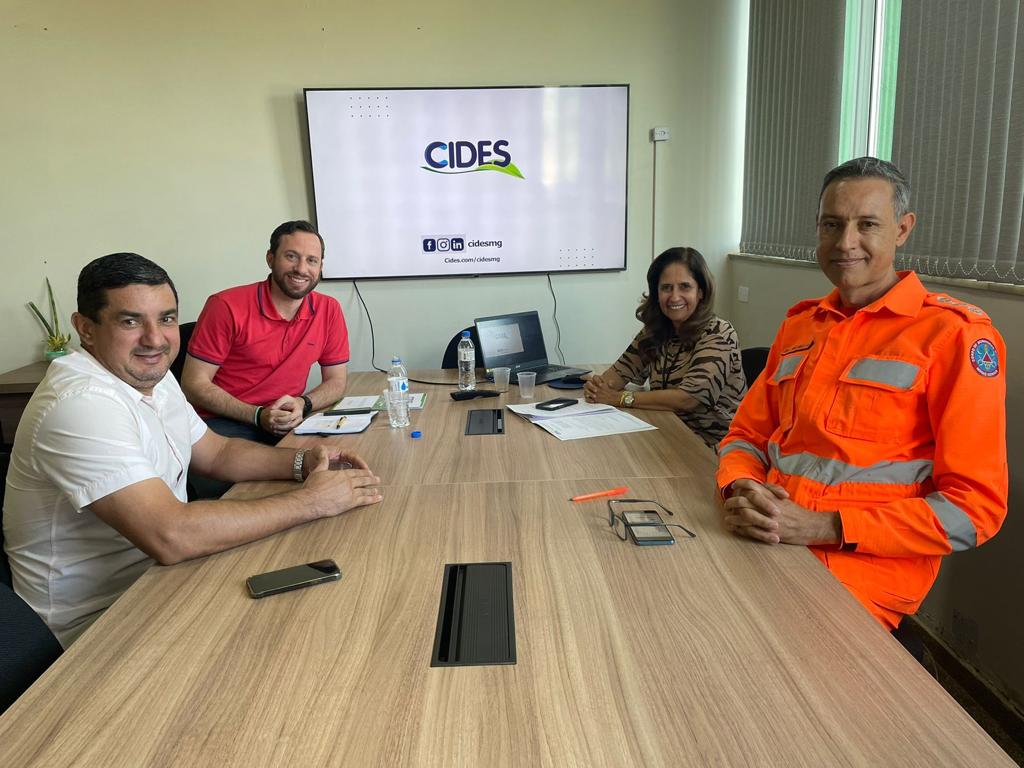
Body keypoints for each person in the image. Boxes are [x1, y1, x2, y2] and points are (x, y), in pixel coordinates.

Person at [3, 253, 382, 647]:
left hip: (166, 583)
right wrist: (312, 502)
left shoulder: (153, 376)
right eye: (130, 321)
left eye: (166, 319)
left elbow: (216, 453)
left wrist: (304, 460)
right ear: (86, 328)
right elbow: (171, 534)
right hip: (98, 625)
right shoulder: (80, 402)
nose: (155, 339)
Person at [717, 157, 1007, 631]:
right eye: (832, 224)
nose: (845, 242)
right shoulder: (800, 326)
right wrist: (740, 488)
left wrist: (827, 526)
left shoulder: (953, 336)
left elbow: (974, 509)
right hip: (767, 542)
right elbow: (744, 437)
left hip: (858, 582)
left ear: (902, 229)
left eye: (866, 224)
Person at [182, 220, 349, 444]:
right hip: (225, 421)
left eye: (311, 260)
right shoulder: (225, 306)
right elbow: (193, 384)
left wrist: (303, 403)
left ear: (320, 267)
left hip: (286, 420)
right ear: (270, 259)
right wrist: (258, 415)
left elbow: (337, 381)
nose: (301, 269)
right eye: (291, 256)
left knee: (339, 455)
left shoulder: (329, 309)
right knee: (288, 465)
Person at [583, 247, 746, 448]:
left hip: (715, 447)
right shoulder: (655, 331)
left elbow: (688, 399)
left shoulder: (718, 334)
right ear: (656, 293)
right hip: (666, 431)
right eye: (666, 288)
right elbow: (614, 377)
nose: (675, 297)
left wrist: (620, 398)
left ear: (701, 292)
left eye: (685, 287)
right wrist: (597, 388)